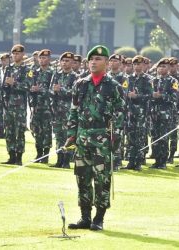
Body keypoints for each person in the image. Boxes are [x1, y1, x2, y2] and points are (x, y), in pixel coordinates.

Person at [66, 45, 125, 231]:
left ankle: (98, 219)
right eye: (91, 59)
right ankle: (85, 217)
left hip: (102, 138)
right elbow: (73, 111)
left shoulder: (113, 86)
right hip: (82, 139)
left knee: (102, 180)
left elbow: (121, 114)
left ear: (106, 63)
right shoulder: (80, 84)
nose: (93, 62)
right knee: (82, 178)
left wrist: (116, 137)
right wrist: (71, 135)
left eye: (98, 59)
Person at [0, 44, 32, 165]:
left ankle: (19, 157)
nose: (15, 56)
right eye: (13, 53)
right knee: (9, 131)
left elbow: (28, 86)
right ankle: (11, 155)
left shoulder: (27, 70)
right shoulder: (9, 68)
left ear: (23, 55)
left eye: (17, 53)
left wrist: (14, 83)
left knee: (19, 132)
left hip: (20, 105)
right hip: (9, 104)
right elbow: (4, 85)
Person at [122, 55, 153, 171]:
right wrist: (128, 95)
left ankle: (139, 161)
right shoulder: (128, 79)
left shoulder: (147, 79)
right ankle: (130, 161)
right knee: (130, 137)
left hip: (142, 113)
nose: (136, 66)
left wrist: (137, 96)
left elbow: (150, 95)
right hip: (130, 112)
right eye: (134, 64)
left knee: (140, 137)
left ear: (144, 65)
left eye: (139, 64)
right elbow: (123, 92)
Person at [149, 58, 179, 169]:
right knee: (154, 137)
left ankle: (163, 161)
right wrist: (152, 96)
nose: (162, 68)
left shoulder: (173, 81)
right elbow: (148, 95)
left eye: (164, 66)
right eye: (160, 66)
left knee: (163, 137)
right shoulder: (153, 81)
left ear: (169, 68)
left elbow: (175, 97)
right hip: (154, 113)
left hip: (166, 114)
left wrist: (162, 96)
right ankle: (156, 160)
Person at [50, 52, 77, 168]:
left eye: (67, 61)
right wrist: (54, 91)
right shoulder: (56, 75)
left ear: (72, 63)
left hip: (68, 111)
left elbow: (75, 93)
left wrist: (61, 90)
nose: (64, 63)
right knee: (58, 135)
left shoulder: (75, 76)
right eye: (63, 61)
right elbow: (50, 90)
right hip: (57, 110)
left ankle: (66, 161)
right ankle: (59, 160)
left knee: (68, 136)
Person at [30, 49, 53, 163]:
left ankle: (45, 155)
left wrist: (41, 90)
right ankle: (38, 154)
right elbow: (29, 86)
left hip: (48, 107)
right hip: (36, 106)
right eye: (40, 58)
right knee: (36, 130)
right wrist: (32, 90)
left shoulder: (53, 73)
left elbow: (53, 90)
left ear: (49, 59)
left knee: (47, 131)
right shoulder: (35, 72)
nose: (42, 60)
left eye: (44, 58)